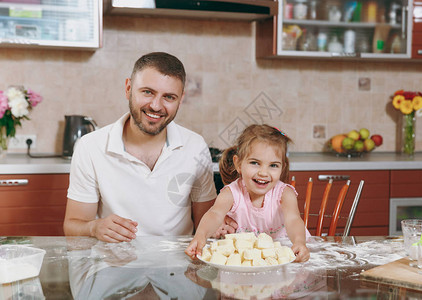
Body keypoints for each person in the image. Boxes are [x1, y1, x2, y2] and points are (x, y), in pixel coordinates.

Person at [64, 52, 222, 243]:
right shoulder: (90, 147)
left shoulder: (195, 146)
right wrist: (93, 227)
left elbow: (207, 225)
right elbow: (72, 225)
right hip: (114, 266)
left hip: (178, 267)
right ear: (128, 88)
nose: (156, 106)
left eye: (169, 97)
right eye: (147, 92)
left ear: (180, 100)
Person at [185, 124, 311, 263]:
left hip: (285, 254)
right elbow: (214, 214)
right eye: (255, 163)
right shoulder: (231, 193)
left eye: (273, 165)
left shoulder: (284, 194)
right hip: (251, 259)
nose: (263, 172)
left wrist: (299, 242)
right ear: (238, 164)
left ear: (282, 167)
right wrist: (200, 236)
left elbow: (293, 220)